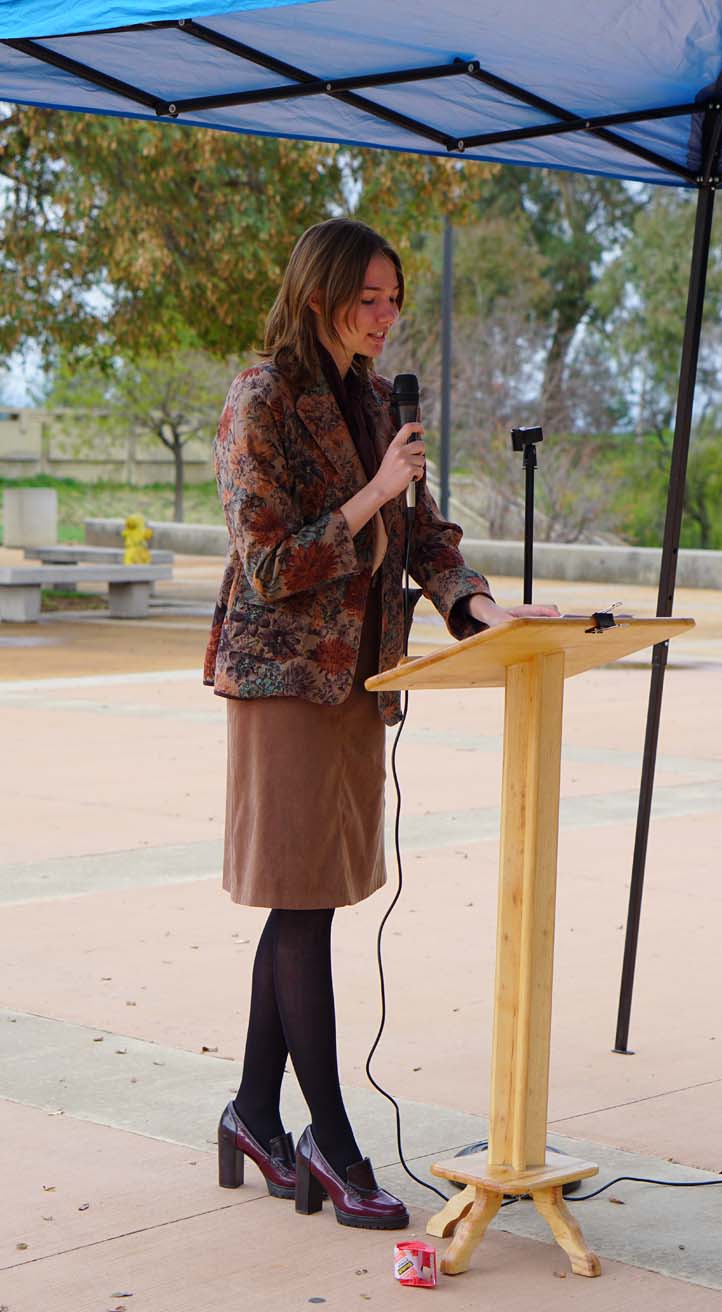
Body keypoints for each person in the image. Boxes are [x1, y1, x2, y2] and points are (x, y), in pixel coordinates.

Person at [203, 217, 558, 1231]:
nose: (387, 315)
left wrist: (483, 606)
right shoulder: (261, 397)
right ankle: (331, 1142)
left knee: (303, 900)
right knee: (303, 903)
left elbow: (425, 536)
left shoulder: (368, 400)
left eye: (395, 298)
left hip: (356, 681)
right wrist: (372, 495)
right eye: (371, 297)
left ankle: (252, 1115)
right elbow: (268, 564)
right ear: (318, 295)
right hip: (285, 686)